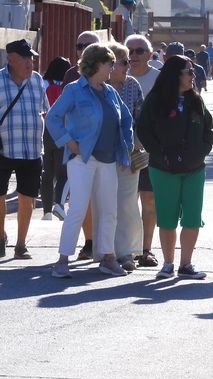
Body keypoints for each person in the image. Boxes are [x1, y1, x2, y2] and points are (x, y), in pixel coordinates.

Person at [47, 44, 133, 278]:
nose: (113, 68)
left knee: (109, 210)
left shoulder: (110, 92)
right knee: (77, 208)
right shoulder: (74, 90)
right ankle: (62, 260)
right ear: (97, 64)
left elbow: (126, 119)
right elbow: (53, 117)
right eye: (110, 63)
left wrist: (125, 148)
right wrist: (68, 141)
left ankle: (108, 258)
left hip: (108, 159)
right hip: (82, 159)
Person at [137, 55, 213, 280]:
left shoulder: (196, 100)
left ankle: (186, 264)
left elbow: (208, 129)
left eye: (193, 71)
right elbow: (143, 129)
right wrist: (160, 154)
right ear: (175, 75)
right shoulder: (155, 100)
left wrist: (201, 151)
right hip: (163, 169)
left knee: (192, 218)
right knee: (167, 218)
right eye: (189, 71)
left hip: (194, 169)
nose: (193, 75)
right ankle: (168, 264)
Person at [0, 39, 49, 260]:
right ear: (11, 59)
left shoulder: (37, 81)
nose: (30, 62)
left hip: (31, 149)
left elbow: (44, 110)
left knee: (27, 196)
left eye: (31, 57)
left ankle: (21, 245)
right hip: (3, 148)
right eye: (25, 57)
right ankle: (0, 234)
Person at [61, 30, 101, 260]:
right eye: (80, 46)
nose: (84, 50)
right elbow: (59, 114)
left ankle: (110, 249)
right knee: (80, 201)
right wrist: (69, 142)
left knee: (105, 201)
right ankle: (88, 243)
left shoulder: (110, 71)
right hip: (80, 150)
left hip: (105, 150)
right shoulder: (71, 76)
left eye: (89, 46)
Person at [107, 41, 145, 272]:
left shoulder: (133, 85)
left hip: (129, 153)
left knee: (127, 203)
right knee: (106, 204)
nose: (128, 66)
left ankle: (126, 252)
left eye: (128, 61)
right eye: (124, 62)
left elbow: (141, 117)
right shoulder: (97, 86)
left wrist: (137, 144)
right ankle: (107, 251)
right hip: (103, 154)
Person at [125, 34, 160, 267]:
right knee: (127, 202)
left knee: (149, 200)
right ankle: (128, 249)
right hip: (123, 149)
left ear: (149, 54)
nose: (133, 55)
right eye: (129, 51)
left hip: (150, 149)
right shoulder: (117, 76)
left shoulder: (159, 79)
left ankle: (146, 250)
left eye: (139, 51)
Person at [40, 56, 72, 221]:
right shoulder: (67, 87)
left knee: (47, 173)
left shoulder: (43, 84)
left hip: (45, 130)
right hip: (61, 130)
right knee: (62, 173)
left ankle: (46, 212)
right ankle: (58, 204)